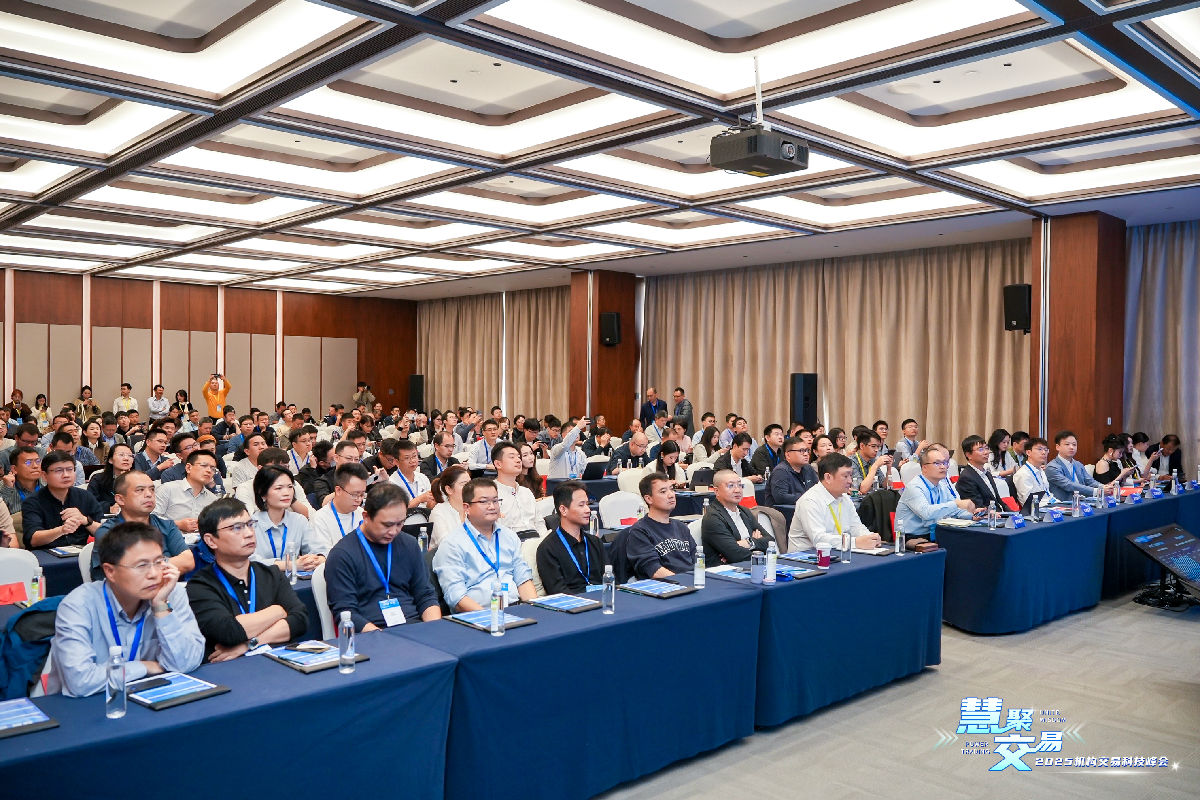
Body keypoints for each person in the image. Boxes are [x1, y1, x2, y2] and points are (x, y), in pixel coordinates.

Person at [50, 521, 204, 697]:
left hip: (153, 696)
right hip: (91, 704)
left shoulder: (171, 593)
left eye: (159, 562)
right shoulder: (78, 605)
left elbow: (186, 663)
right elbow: (80, 682)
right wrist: (143, 667)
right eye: (142, 565)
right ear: (110, 571)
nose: (154, 574)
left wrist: (161, 606)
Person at [187, 498, 309, 660]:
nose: (249, 533)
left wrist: (250, 643)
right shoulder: (200, 585)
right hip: (229, 668)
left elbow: (300, 620)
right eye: (236, 528)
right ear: (211, 540)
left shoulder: (271, 574)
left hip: (278, 662)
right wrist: (278, 610)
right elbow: (229, 632)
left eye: (250, 524)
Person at [432, 477, 536, 611]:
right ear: (467, 507)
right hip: (478, 615)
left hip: (514, 609)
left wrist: (534, 609)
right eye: (484, 501)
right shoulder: (452, 544)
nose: (492, 506)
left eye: (495, 500)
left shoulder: (509, 536)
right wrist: (490, 617)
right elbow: (456, 597)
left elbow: (523, 579)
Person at [90, 471, 193, 580]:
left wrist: (143, 567)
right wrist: (166, 565)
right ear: (120, 499)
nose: (149, 494)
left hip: (169, 588)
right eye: (140, 490)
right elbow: (121, 575)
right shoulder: (108, 532)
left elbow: (188, 561)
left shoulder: (166, 525)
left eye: (152, 489)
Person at [788, 454, 880, 552]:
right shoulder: (810, 501)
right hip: (806, 556)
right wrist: (855, 542)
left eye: (850, 475)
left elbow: (856, 526)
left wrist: (870, 537)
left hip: (836, 552)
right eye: (845, 476)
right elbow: (818, 539)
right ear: (828, 477)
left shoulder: (845, 497)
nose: (850, 481)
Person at [536, 480, 607, 594]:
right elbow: (557, 591)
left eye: (587, 504)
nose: (588, 510)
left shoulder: (595, 542)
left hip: (602, 599)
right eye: (581, 505)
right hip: (573, 602)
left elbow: (609, 579)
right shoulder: (548, 549)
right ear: (563, 510)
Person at [22, 450, 104, 549]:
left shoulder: (85, 496)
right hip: (45, 554)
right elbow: (33, 540)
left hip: (80, 552)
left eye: (70, 469)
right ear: (44, 476)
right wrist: (62, 530)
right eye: (58, 470)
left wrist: (85, 520)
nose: (66, 475)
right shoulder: (33, 501)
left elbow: (106, 533)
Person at [621, 472, 695, 579]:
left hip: (692, 581)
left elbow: (697, 560)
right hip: (668, 585)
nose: (671, 495)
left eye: (671, 489)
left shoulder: (681, 527)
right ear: (648, 499)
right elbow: (654, 570)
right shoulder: (640, 531)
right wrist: (684, 582)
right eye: (663, 492)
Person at [895, 445, 976, 540]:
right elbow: (926, 513)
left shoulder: (941, 485)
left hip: (936, 533)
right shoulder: (914, 487)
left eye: (945, 463)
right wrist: (957, 503)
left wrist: (972, 515)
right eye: (937, 463)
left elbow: (953, 511)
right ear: (924, 467)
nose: (943, 467)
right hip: (911, 538)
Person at [249, 465, 320, 569]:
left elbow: (317, 550)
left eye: (290, 487)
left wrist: (317, 559)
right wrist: (291, 565)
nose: (286, 493)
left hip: (297, 578)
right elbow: (250, 561)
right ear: (262, 493)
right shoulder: (250, 525)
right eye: (278, 488)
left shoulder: (299, 520)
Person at [700, 469, 774, 565]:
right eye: (731, 486)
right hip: (725, 570)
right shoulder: (713, 517)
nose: (737, 490)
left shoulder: (744, 511)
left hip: (750, 565)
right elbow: (736, 555)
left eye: (740, 485)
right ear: (716, 491)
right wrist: (757, 547)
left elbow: (770, 541)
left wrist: (749, 542)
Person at [153, 449, 221, 534]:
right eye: (204, 465)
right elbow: (150, 520)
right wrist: (177, 524)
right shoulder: (168, 489)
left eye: (213, 468)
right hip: (169, 539)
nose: (209, 471)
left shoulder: (213, 500)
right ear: (188, 468)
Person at [309, 463, 369, 554]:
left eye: (362, 495)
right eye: (355, 494)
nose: (359, 499)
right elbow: (323, 555)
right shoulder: (320, 519)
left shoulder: (362, 514)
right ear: (338, 490)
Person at [491, 441, 538, 536]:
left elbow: (539, 522)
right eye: (512, 457)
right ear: (498, 464)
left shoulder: (526, 492)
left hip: (535, 539)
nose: (518, 460)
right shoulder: (490, 493)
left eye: (519, 457)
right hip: (509, 541)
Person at [1045, 430, 1107, 500]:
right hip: (1064, 503)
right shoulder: (1052, 467)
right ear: (1057, 447)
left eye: (1074, 444)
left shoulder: (1078, 464)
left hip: (1083, 502)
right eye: (1067, 444)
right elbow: (1069, 485)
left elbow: (1090, 481)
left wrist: (1103, 487)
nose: (1071, 447)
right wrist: (1096, 491)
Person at [956, 435, 1007, 511]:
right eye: (980, 449)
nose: (986, 452)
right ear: (968, 455)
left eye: (986, 448)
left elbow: (998, 501)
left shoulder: (987, 473)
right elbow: (978, 507)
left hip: (1000, 514)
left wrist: (1015, 514)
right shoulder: (966, 478)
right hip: (987, 516)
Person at [389, 438, 434, 521]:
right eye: (407, 458)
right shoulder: (391, 484)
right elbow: (396, 511)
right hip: (403, 524)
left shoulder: (423, 477)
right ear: (396, 462)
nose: (412, 461)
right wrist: (419, 499)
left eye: (414, 456)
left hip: (425, 521)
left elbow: (429, 506)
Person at [766, 436, 818, 505]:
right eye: (801, 451)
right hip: (785, 510)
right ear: (788, 455)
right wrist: (807, 497)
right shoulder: (781, 471)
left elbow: (818, 488)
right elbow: (780, 497)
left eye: (807, 450)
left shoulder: (808, 468)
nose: (806, 454)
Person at [429, 464, 470, 551]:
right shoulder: (438, 512)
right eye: (464, 484)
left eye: (470, 483)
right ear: (449, 489)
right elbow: (446, 544)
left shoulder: (474, 508)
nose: (470, 488)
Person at [87, 443, 136, 513]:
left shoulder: (139, 479)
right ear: (110, 460)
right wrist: (109, 508)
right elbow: (89, 503)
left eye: (130, 455)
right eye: (121, 455)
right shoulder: (98, 479)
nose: (126, 458)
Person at [1012, 437, 1052, 506]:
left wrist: (1059, 504)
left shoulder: (1041, 471)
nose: (1044, 452)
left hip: (1048, 506)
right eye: (1039, 449)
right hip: (1035, 510)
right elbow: (1030, 502)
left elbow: (1047, 494)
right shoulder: (1023, 474)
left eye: (1046, 450)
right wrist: (1051, 505)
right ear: (1028, 452)